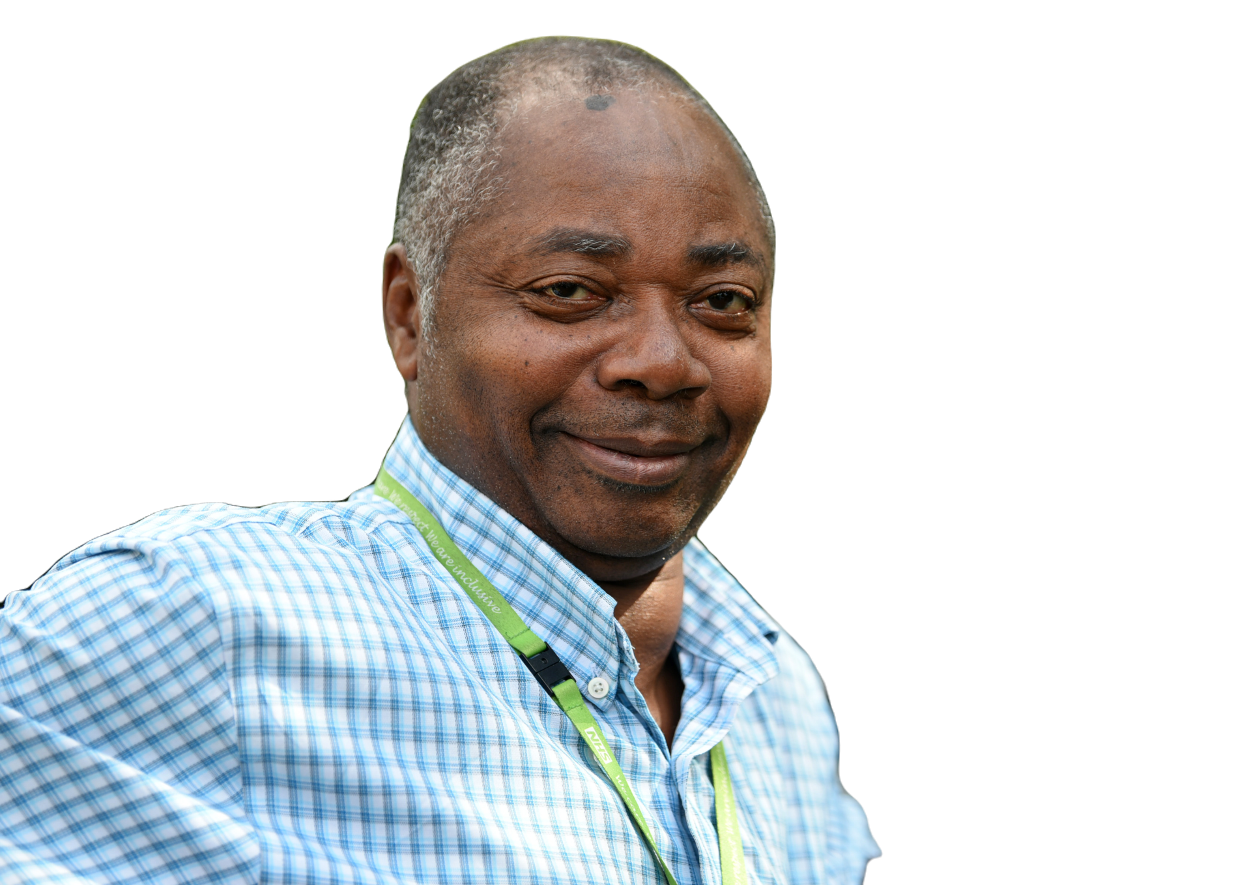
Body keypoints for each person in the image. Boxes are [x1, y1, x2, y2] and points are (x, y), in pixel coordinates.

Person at [1, 36, 880, 884]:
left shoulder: (776, 692)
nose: (659, 361)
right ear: (410, 315)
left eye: (722, 302)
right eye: (569, 291)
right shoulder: (187, 622)